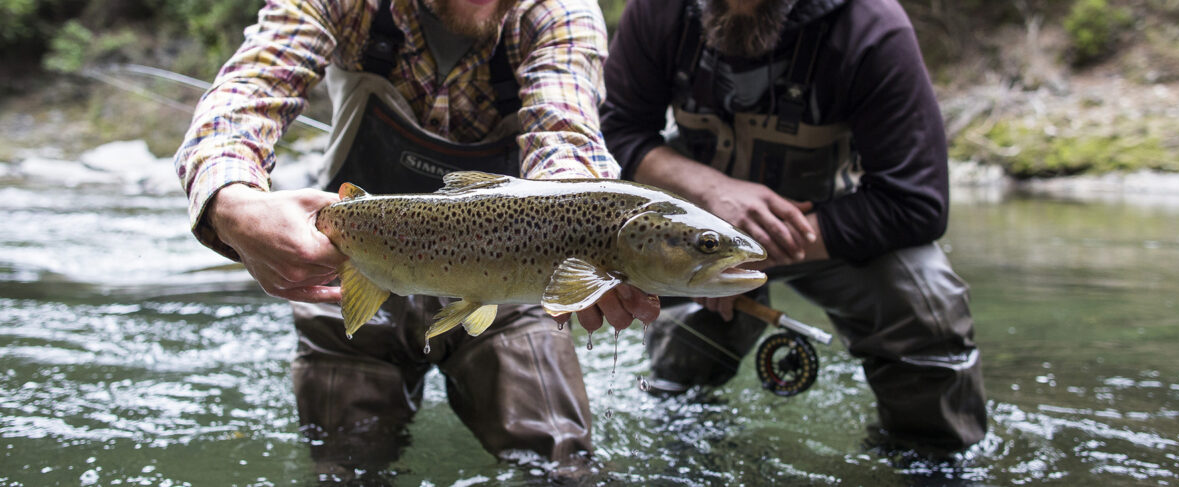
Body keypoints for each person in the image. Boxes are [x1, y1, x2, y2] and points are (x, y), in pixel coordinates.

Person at [173, 0, 658, 477]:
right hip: (348, 268)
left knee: (561, 469)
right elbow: (246, 92)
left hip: (510, 281)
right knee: (347, 469)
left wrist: (600, 239)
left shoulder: (556, 11)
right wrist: (232, 202)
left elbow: (567, 139)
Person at [600, 0, 988, 452]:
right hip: (697, 237)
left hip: (826, 229)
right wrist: (713, 192)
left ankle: (935, 459)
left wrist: (757, 247)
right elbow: (619, 134)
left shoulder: (871, 27)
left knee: (926, 300)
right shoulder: (657, 12)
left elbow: (918, 201)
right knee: (688, 367)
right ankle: (679, 436)